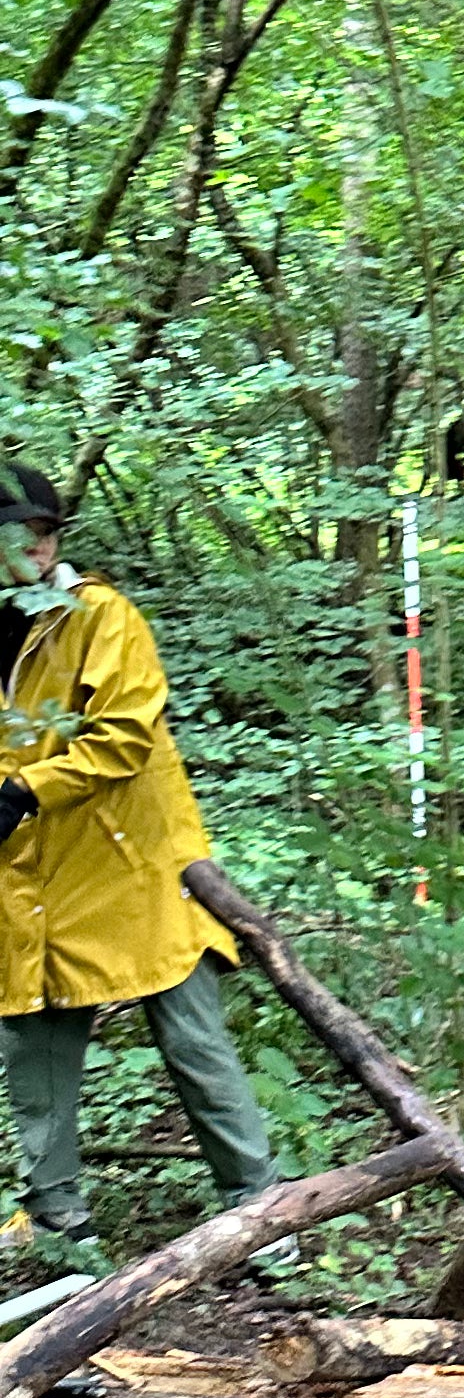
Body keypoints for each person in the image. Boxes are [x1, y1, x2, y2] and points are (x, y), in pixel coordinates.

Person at [0, 460, 279, 1276]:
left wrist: (25, 789)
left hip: (132, 862)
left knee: (192, 1036)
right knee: (34, 1038)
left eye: (45, 533)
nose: (37, 551)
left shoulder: (100, 617)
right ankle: (58, 1219)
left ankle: (263, 1212)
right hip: (29, 876)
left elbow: (123, 735)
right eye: (19, 537)